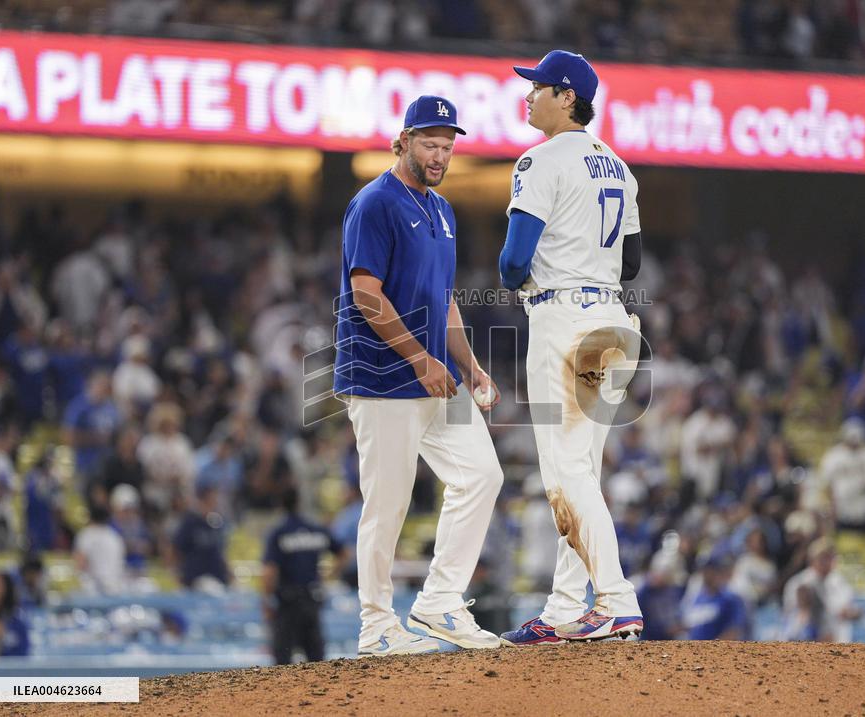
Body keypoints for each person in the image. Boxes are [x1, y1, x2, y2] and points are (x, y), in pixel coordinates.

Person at [334, 95, 504, 656]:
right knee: (388, 502)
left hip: (434, 378)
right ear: (402, 141)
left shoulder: (442, 209)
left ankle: (438, 603)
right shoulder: (375, 202)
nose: (440, 154)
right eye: (430, 143)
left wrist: (471, 366)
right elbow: (365, 292)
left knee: (482, 475)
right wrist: (419, 358)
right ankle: (377, 623)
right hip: (383, 376)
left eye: (448, 145)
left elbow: (444, 300)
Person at [497, 50, 644, 645]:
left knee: (563, 473)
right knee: (578, 471)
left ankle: (614, 599)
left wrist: (525, 276)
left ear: (565, 95)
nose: (527, 95)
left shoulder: (540, 158)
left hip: (566, 323)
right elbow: (631, 263)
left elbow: (511, 264)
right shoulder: (621, 167)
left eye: (536, 86)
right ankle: (563, 607)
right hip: (616, 322)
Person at [262, 487, 343, 664]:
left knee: (282, 660)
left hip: (287, 603)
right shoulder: (315, 529)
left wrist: (266, 600)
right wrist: (328, 576)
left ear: (280, 505)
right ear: (299, 502)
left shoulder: (279, 532)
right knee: (316, 660)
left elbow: (269, 571)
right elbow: (344, 552)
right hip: (311, 600)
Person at [680, 553, 748, 641]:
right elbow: (684, 625)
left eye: (713, 571)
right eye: (706, 571)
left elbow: (735, 630)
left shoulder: (731, 598)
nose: (709, 575)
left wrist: (714, 649)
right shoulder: (696, 598)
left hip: (721, 651)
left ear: (720, 573)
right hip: (693, 650)